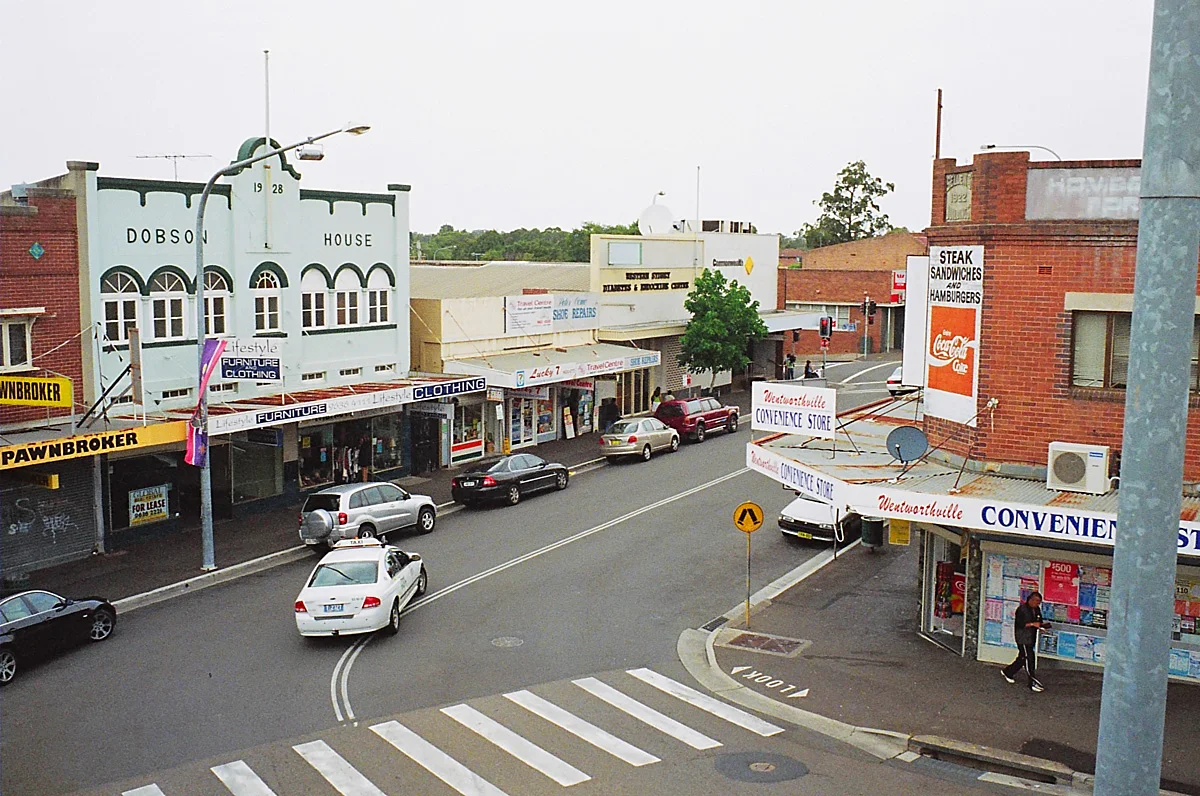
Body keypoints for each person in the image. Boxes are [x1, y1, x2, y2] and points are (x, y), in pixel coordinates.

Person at [1001, 591, 1047, 692]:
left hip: (1031, 637)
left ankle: (1008, 671)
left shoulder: (1036, 609)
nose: (1037, 604)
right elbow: (1020, 624)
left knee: (1022, 658)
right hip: (1023, 638)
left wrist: (1041, 626)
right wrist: (1032, 624)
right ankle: (1032, 682)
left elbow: (1039, 621)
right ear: (1030, 600)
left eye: (1039, 602)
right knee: (1029, 659)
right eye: (1036, 601)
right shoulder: (1022, 609)